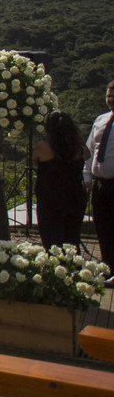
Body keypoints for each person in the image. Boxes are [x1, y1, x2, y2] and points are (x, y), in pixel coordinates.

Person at [31, 110, 88, 249]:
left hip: (50, 200)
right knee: (72, 243)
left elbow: (35, 163)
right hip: (74, 198)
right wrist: (79, 140)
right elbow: (88, 154)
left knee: (52, 243)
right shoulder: (77, 150)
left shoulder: (42, 147)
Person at [83, 80, 114, 275]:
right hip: (100, 185)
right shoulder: (100, 120)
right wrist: (87, 176)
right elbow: (89, 151)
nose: (111, 100)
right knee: (103, 228)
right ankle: (108, 268)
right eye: (109, 96)